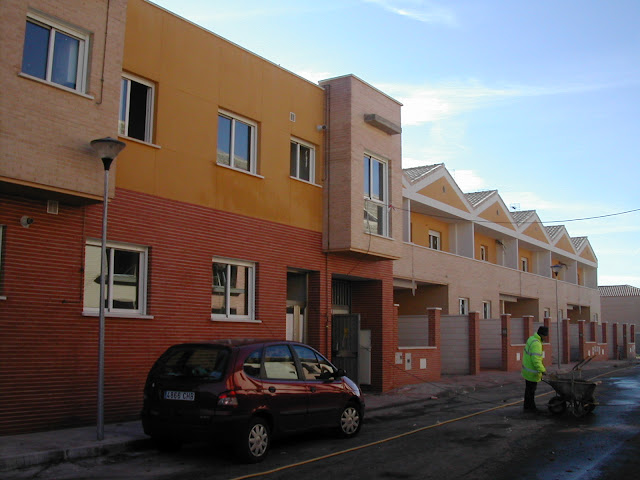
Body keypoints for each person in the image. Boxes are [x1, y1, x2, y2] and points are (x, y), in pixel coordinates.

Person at [521, 326, 548, 413]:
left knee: (528, 390)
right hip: (532, 372)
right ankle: (531, 408)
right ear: (542, 335)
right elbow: (536, 360)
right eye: (545, 336)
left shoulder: (531, 339)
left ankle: (527, 407)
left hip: (527, 370)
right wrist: (543, 370)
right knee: (531, 391)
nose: (546, 338)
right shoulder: (536, 344)